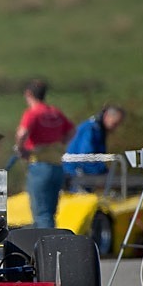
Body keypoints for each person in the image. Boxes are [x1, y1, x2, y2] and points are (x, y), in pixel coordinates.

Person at [14, 80, 75, 229]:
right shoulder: (55, 112)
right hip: (57, 167)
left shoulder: (33, 113)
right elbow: (72, 131)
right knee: (50, 213)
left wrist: (21, 149)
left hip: (40, 166)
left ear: (28, 94)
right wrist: (60, 142)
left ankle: (46, 248)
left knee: (41, 214)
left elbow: (22, 133)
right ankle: (51, 243)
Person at [63, 105, 126, 179]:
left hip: (81, 174)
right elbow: (86, 157)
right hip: (76, 176)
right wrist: (102, 174)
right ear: (107, 116)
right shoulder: (92, 130)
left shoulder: (97, 129)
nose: (115, 128)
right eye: (114, 124)